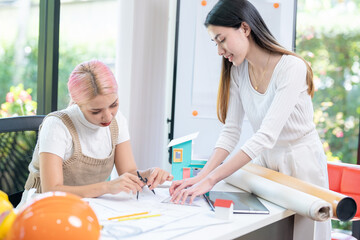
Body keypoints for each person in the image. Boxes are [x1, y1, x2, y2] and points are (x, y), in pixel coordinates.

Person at [169, 0, 330, 239]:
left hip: (301, 163)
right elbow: (231, 131)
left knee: (305, 234)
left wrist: (212, 179)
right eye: (215, 43)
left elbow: (266, 135)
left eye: (221, 39)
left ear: (245, 28)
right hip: (268, 165)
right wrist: (200, 177)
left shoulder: (292, 68)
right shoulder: (238, 71)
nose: (219, 51)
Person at [22, 59, 173, 202]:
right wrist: (108, 187)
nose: (108, 116)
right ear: (78, 104)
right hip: (42, 208)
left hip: (86, 206)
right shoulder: (57, 126)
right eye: (96, 111)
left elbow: (129, 173)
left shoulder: (117, 121)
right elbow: (51, 191)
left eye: (114, 105)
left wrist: (148, 174)